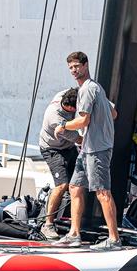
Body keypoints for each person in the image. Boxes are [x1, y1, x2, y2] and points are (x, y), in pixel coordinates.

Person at [52, 51, 121, 251]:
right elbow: (114, 113)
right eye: (71, 68)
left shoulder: (87, 90)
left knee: (102, 192)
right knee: (74, 187)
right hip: (88, 148)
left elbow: (83, 120)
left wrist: (63, 126)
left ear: (85, 65)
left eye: (76, 67)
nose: (74, 71)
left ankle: (114, 239)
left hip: (97, 149)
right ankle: (74, 234)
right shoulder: (96, 88)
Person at [38, 87, 81, 240]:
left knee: (78, 183)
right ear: (70, 108)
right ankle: (47, 225)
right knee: (62, 185)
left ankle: (74, 220)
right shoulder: (56, 119)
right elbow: (79, 139)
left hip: (68, 147)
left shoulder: (63, 95)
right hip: (52, 149)